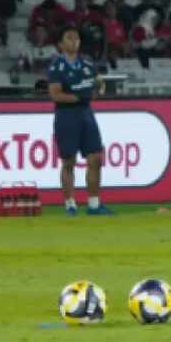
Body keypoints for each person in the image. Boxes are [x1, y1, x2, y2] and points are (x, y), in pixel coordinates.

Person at [46, 25, 113, 216]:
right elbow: (55, 94)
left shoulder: (87, 64)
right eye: (69, 38)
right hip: (67, 114)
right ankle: (70, 204)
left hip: (86, 113)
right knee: (69, 161)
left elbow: (99, 82)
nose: (74, 41)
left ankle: (93, 204)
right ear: (61, 44)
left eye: (76, 38)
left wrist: (98, 91)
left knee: (95, 158)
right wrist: (77, 96)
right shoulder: (56, 66)